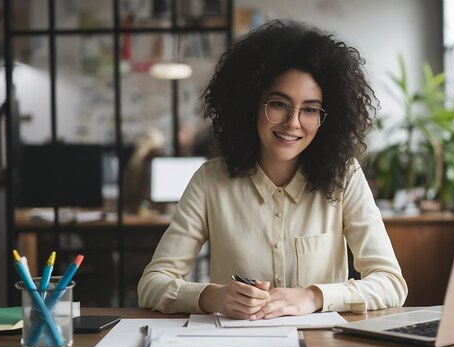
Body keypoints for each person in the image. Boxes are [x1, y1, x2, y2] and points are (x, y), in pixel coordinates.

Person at [138, 20, 407, 320]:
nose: (293, 122)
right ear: (250, 104)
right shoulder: (209, 180)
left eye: (309, 109)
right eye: (279, 104)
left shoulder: (346, 177)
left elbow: (391, 283)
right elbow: (151, 284)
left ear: (326, 118)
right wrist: (212, 296)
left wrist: (314, 296)